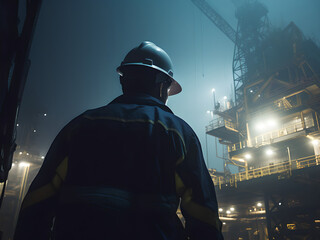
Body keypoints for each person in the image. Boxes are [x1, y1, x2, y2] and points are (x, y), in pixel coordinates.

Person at [14, 41, 223, 240]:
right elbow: (203, 212)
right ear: (163, 85)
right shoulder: (178, 133)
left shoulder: (81, 125)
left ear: (123, 80)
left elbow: (38, 199)